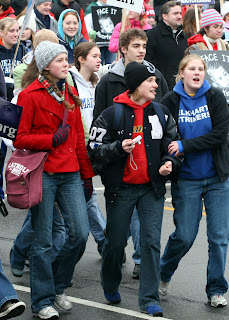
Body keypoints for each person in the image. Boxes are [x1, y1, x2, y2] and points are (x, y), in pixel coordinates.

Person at [88, 61, 181, 317]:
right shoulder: (111, 114)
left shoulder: (161, 112)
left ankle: (149, 299)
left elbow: (172, 145)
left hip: (151, 189)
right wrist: (118, 148)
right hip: (121, 190)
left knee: (151, 243)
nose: (155, 84)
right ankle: (110, 282)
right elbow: (93, 150)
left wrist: (168, 164)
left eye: (155, 81)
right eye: (150, 81)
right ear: (135, 85)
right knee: (115, 243)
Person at [14, 41, 94, 319]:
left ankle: (58, 287)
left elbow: (79, 138)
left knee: (80, 234)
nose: (67, 64)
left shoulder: (70, 91)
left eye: (66, 59)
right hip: (44, 172)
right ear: (46, 65)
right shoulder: (29, 95)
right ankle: (42, 300)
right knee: (43, 242)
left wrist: (87, 176)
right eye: (61, 60)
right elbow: (20, 138)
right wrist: (50, 140)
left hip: (71, 172)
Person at [93, 28, 169, 279]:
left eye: (144, 45)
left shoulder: (154, 75)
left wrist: (167, 159)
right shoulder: (108, 82)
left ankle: (142, 267)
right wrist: (117, 146)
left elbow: (164, 117)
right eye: (136, 45)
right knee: (116, 238)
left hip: (148, 176)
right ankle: (112, 269)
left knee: (148, 236)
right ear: (123, 48)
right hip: (119, 175)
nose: (142, 50)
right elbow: (99, 129)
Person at [159, 54, 229, 308]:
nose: (197, 73)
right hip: (186, 179)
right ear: (182, 74)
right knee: (185, 236)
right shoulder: (170, 100)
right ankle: (163, 274)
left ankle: (216, 289)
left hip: (217, 178)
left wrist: (184, 145)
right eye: (192, 69)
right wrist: (169, 156)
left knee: (219, 238)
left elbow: (219, 135)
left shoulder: (215, 96)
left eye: (201, 69)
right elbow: (165, 139)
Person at [69, 42, 106, 254]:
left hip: (92, 145)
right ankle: (105, 243)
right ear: (81, 59)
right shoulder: (71, 80)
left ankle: (105, 243)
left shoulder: (96, 82)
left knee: (87, 196)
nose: (99, 59)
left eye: (100, 55)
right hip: (76, 146)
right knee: (88, 197)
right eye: (94, 56)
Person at [145, 1, 188, 90]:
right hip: (159, 86)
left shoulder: (184, 36)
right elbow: (147, 61)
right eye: (175, 13)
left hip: (181, 86)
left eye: (180, 13)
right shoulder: (152, 35)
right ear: (164, 16)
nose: (179, 16)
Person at [84, 0, 116, 65]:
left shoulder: (115, 7)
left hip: (111, 43)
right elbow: (86, 23)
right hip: (97, 44)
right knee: (97, 63)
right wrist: (90, 32)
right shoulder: (92, 7)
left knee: (111, 64)